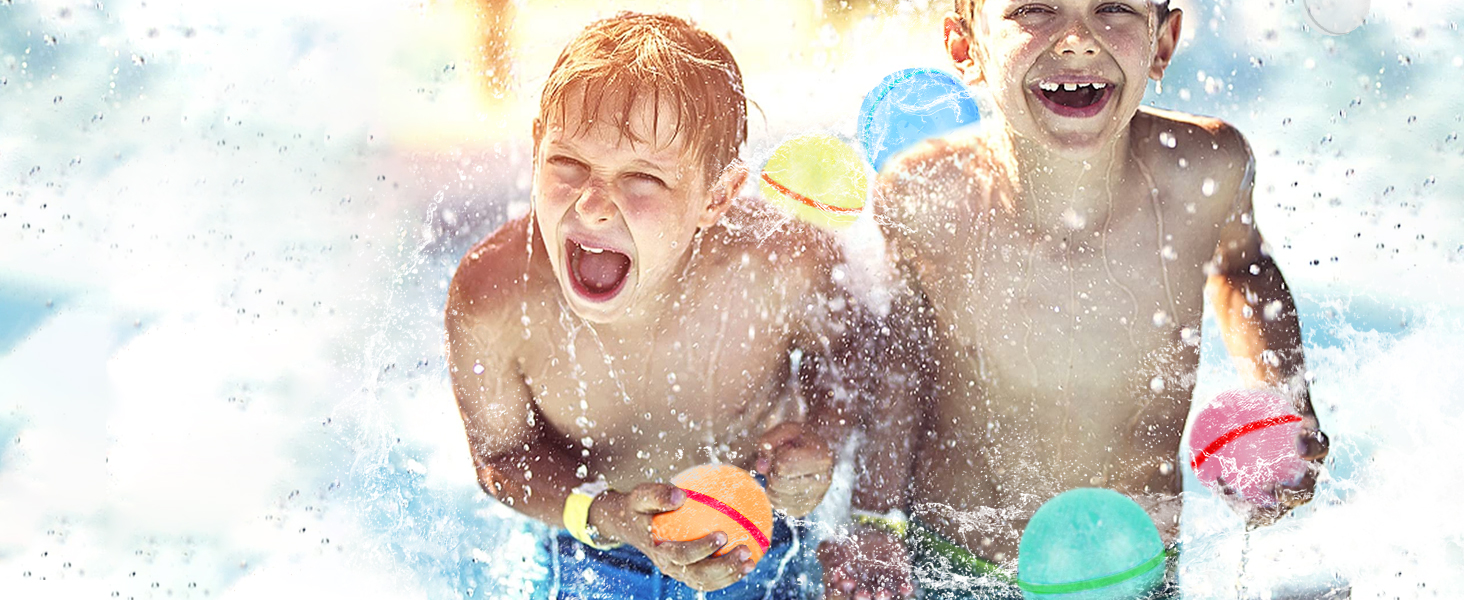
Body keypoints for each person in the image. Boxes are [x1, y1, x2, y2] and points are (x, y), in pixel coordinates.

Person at [819, 1, 1332, 597]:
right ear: (966, 49)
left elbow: (1243, 266)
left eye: (1113, 7)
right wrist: (873, 523)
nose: (1078, 39)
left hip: (1136, 573)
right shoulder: (928, 195)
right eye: (1035, 9)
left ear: (1162, 42)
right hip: (959, 567)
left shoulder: (1202, 170)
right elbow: (899, 365)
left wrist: (1285, 398)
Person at [446, 12, 871, 599]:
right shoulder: (495, 296)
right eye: (567, 163)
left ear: (716, 198)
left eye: (642, 178)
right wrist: (606, 514)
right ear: (537, 143)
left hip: (756, 534)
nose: (593, 204)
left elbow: (853, 353)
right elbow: (499, 458)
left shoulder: (780, 264)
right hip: (589, 539)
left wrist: (816, 444)